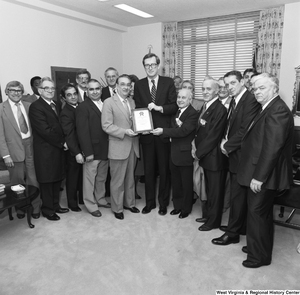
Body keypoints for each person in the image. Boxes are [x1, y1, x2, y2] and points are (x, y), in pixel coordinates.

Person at [237, 73, 294, 268]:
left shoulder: (278, 110)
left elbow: (272, 148)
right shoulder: (268, 107)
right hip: (262, 172)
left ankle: (258, 257)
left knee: (257, 215)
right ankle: (258, 248)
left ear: (274, 89)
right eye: (255, 88)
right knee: (261, 215)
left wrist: (259, 177)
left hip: (264, 175)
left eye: (262, 88)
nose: (257, 92)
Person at [212, 70, 260, 245]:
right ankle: (238, 227)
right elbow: (231, 126)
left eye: (233, 83)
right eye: (227, 84)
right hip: (234, 154)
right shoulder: (235, 100)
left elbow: (245, 130)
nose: (229, 87)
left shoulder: (251, 100)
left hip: (242, 156)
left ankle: (232, 234)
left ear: (242, 82)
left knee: (238, 196)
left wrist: (226, 145)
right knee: (237, 195)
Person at [134, 52, 178, 215]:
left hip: (163, 133)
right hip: (146, 135)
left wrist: (160, 108)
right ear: (144, 67)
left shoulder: (168, 82)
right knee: (149, 171)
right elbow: (138, 108)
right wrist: (141, 127)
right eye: (147, 65)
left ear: (158, 65)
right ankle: (150, 203)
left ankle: (163, 204)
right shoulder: (139, 84)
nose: (150, 68)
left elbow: (174, 106)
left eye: (153, 64)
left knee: (164, 171)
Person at [152, 88, 198, 218]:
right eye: (179, 97)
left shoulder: (193, 113)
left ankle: (186, 209)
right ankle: (177, 206)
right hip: (173, 153)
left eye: (184, 98)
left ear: (190, 99)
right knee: (176, 182)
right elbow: (175, 128)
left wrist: (163, 131)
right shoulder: (177, 112)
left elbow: (183, 131)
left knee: (186, 184)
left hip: (185, 154)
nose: (180, 100)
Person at [29, 77, 69, 221]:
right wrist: (62, 142)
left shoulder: (57, 104)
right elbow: (45, 130)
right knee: (47, 181)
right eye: (47, 88)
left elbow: (60, 125)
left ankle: (55, 205)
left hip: (57, 150)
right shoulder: (36, 107)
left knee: (57, 179)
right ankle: (47, 210)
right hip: (45, 151)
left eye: (52, 88)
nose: (51, 90)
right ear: (40, 90)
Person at [0, 81, 41, 219]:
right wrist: (5, 155)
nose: (16, 93)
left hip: (31, 147)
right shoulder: (1, 108)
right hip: (13, 150)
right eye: (13, 90)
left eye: (19, 90)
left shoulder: (29, 106)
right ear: (7, 91)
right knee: (17, 183)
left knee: (33, 180)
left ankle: (36, 207)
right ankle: (21, 208)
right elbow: (0, 135)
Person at [102, 74, 140, 220]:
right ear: (116, 86)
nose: (125, 87)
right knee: (117, 180)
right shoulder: (108, 102)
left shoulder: (132, 102)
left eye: (128, 85)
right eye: (122, 84)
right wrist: (124, 132)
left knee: (130, 178)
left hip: (132, 146)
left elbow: (134, 121)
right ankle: (117, 208)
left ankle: (129, 204)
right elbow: (106, 126)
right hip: (118, 145)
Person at [193, 77, 227, 231]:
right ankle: (208, 216)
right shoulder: (205, 106)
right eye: (203, 89)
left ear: (216, 90)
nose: (205, 92)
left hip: (214, 158)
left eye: (209, 89)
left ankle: (213, 222)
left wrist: (198, 153)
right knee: (208, 190)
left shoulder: (220, 109)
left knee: (215, 192)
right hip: (206, 157)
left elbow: (213, 136)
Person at [76, 79, 109, 217]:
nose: (95, 91)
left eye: (97, 89)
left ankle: (100, 199)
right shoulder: (82, 107)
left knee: (101, 177)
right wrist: (87, 152)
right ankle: (90, 204)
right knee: (89, 179)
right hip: (92, 150)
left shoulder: (106, 104)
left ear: (101, 90)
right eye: (91, 89)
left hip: (106, 148)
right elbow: (82, 132)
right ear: (87, 92)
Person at [60, 84, 84, 212]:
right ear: (64, 98)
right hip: (74, 151)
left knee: (81, 176)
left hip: (83, 148)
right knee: (73, 177)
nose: (73, 97)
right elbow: (69, 135)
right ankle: (72, 202)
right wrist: (77, 153)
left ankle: (81, 199)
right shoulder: (66, 113)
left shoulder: (80, 107)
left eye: (74, 93)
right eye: (69, 95)